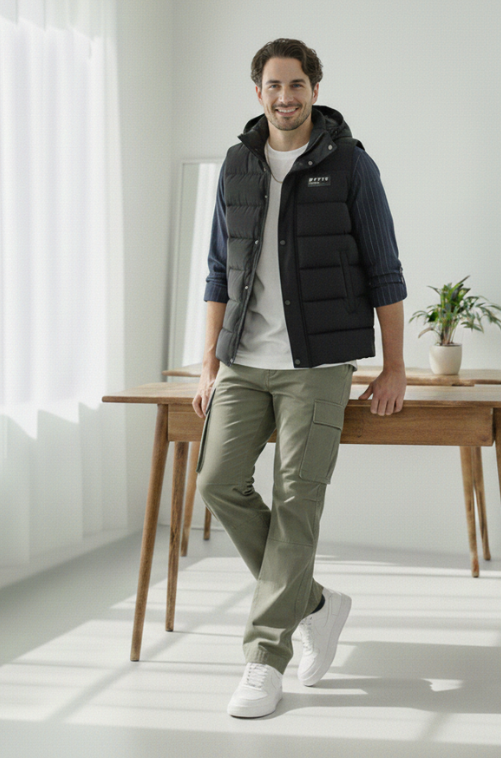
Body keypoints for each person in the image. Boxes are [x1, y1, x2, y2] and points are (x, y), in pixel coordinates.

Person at [192, 38, 407, 718]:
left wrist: (393, 366)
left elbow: (385, 269)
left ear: (315, 87)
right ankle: (315, 603)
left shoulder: (349, 164)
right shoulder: (236, 165)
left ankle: (264, 660)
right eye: (274, 85)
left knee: (295, 502)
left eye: (297, 85)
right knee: (216, 481)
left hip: (318, 366)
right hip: (244, 362)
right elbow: (218, 271)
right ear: (257, 91)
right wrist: (208, 360)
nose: (286, 97)